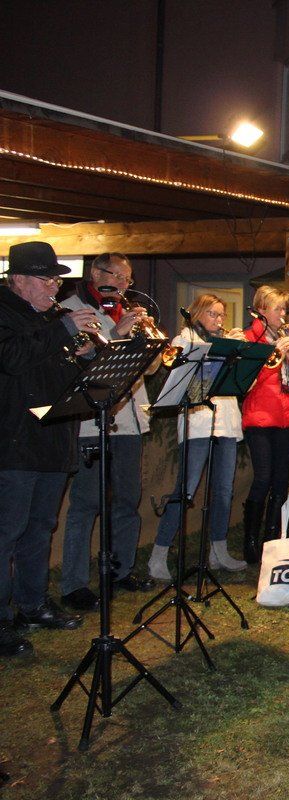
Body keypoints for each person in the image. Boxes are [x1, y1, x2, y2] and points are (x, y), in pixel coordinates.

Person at [0, 242, 93, 656]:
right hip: (14, 443)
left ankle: (32, 605)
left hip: (53, 440)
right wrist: (64, 329)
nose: (54, 287)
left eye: (56, 279)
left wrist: (85, 357)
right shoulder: (5, 312)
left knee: (41, 528)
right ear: (18, 279)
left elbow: (60, 373)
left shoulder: (51, 318)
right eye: (46, 279)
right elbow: (13, 358)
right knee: (6, 533)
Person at [59, 253, 158, 609]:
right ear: (93, 273)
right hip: (90, 421)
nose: (119, 282)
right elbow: (79, 365)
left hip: (129, 420)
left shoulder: (125, 311)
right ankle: (74, 584)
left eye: (126, 278)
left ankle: (120, 570)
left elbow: (151, 368)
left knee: (128, 500)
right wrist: (117, 335)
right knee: (86, 504)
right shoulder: (72, 311)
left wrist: (145, 337)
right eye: (112, 274)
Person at [148, 295, 245, 579]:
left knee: (224, 491)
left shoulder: (225, 341)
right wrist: (221, 349)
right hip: (198, 423)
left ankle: (218, 551)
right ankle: (158, 554)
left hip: (226, 422)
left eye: (222, 315)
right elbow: (184, 377)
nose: (219, 320)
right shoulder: (184, 340)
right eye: (213, 314)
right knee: (186, 490)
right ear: (197, 313)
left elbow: (241, 383)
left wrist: (239, 351)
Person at [240, 286, 289, 563]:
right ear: (262, 310)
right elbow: (247, 379)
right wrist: (274, 353)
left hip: (287, 416)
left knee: (281, 481)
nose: (283, 314)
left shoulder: (286, 337)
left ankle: (272, 540)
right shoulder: (249, 338)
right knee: (263, 478)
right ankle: (250, 541)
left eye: (284, 309)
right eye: (278, 308)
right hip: (260, 415)